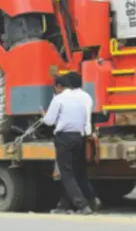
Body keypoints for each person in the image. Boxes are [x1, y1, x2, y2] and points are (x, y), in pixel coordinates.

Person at [42, 74, 93, 215]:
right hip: (79, 137)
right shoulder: (81, 99)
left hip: (64, 138)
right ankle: (64, 205)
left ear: (59, 86)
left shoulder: (58, 99)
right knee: (73, 172)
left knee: (66, 174)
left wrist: (44, 115)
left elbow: (49, 121)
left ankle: (82, 205)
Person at [65, 71, 98, 211]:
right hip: (84, 136)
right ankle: (92, 200)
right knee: (81, 172)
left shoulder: (65, 98)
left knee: (68, 173)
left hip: (69, 136)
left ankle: (80, 204)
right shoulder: (87, 97)